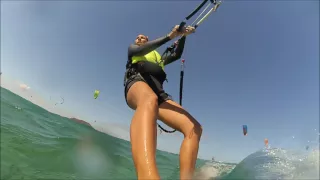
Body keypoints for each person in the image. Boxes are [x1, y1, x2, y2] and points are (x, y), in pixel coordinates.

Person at [123, 25, 202, 180]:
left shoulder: (159, 58)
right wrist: (170, 36)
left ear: (148, 39)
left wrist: (184, 36)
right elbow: (139, 50)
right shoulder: (134, 49)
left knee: (195, 128)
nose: (139, 39)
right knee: (148, 99)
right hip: (136, 82)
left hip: (159, 95)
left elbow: (177, 54)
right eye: (137, 37)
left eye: (142, 37)